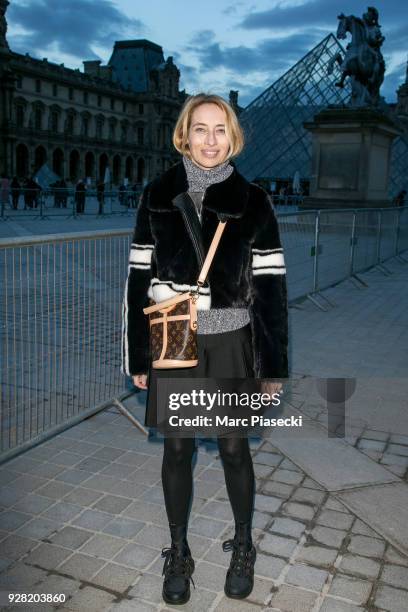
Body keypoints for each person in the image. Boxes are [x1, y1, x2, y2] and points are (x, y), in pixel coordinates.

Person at [121, 93, 288, 605]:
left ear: (232, 137)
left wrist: (273, 366)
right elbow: (136, 280)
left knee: (234, 448)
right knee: (178, 448)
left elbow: (270, 289)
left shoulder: (254, 200)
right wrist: (138, 357)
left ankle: (243, 545)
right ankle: (178, 550)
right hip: (172, 333)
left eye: (220, 130)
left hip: (232, 338)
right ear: (184, 134)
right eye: (200, 129)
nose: (210, 140)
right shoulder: (157, 194)